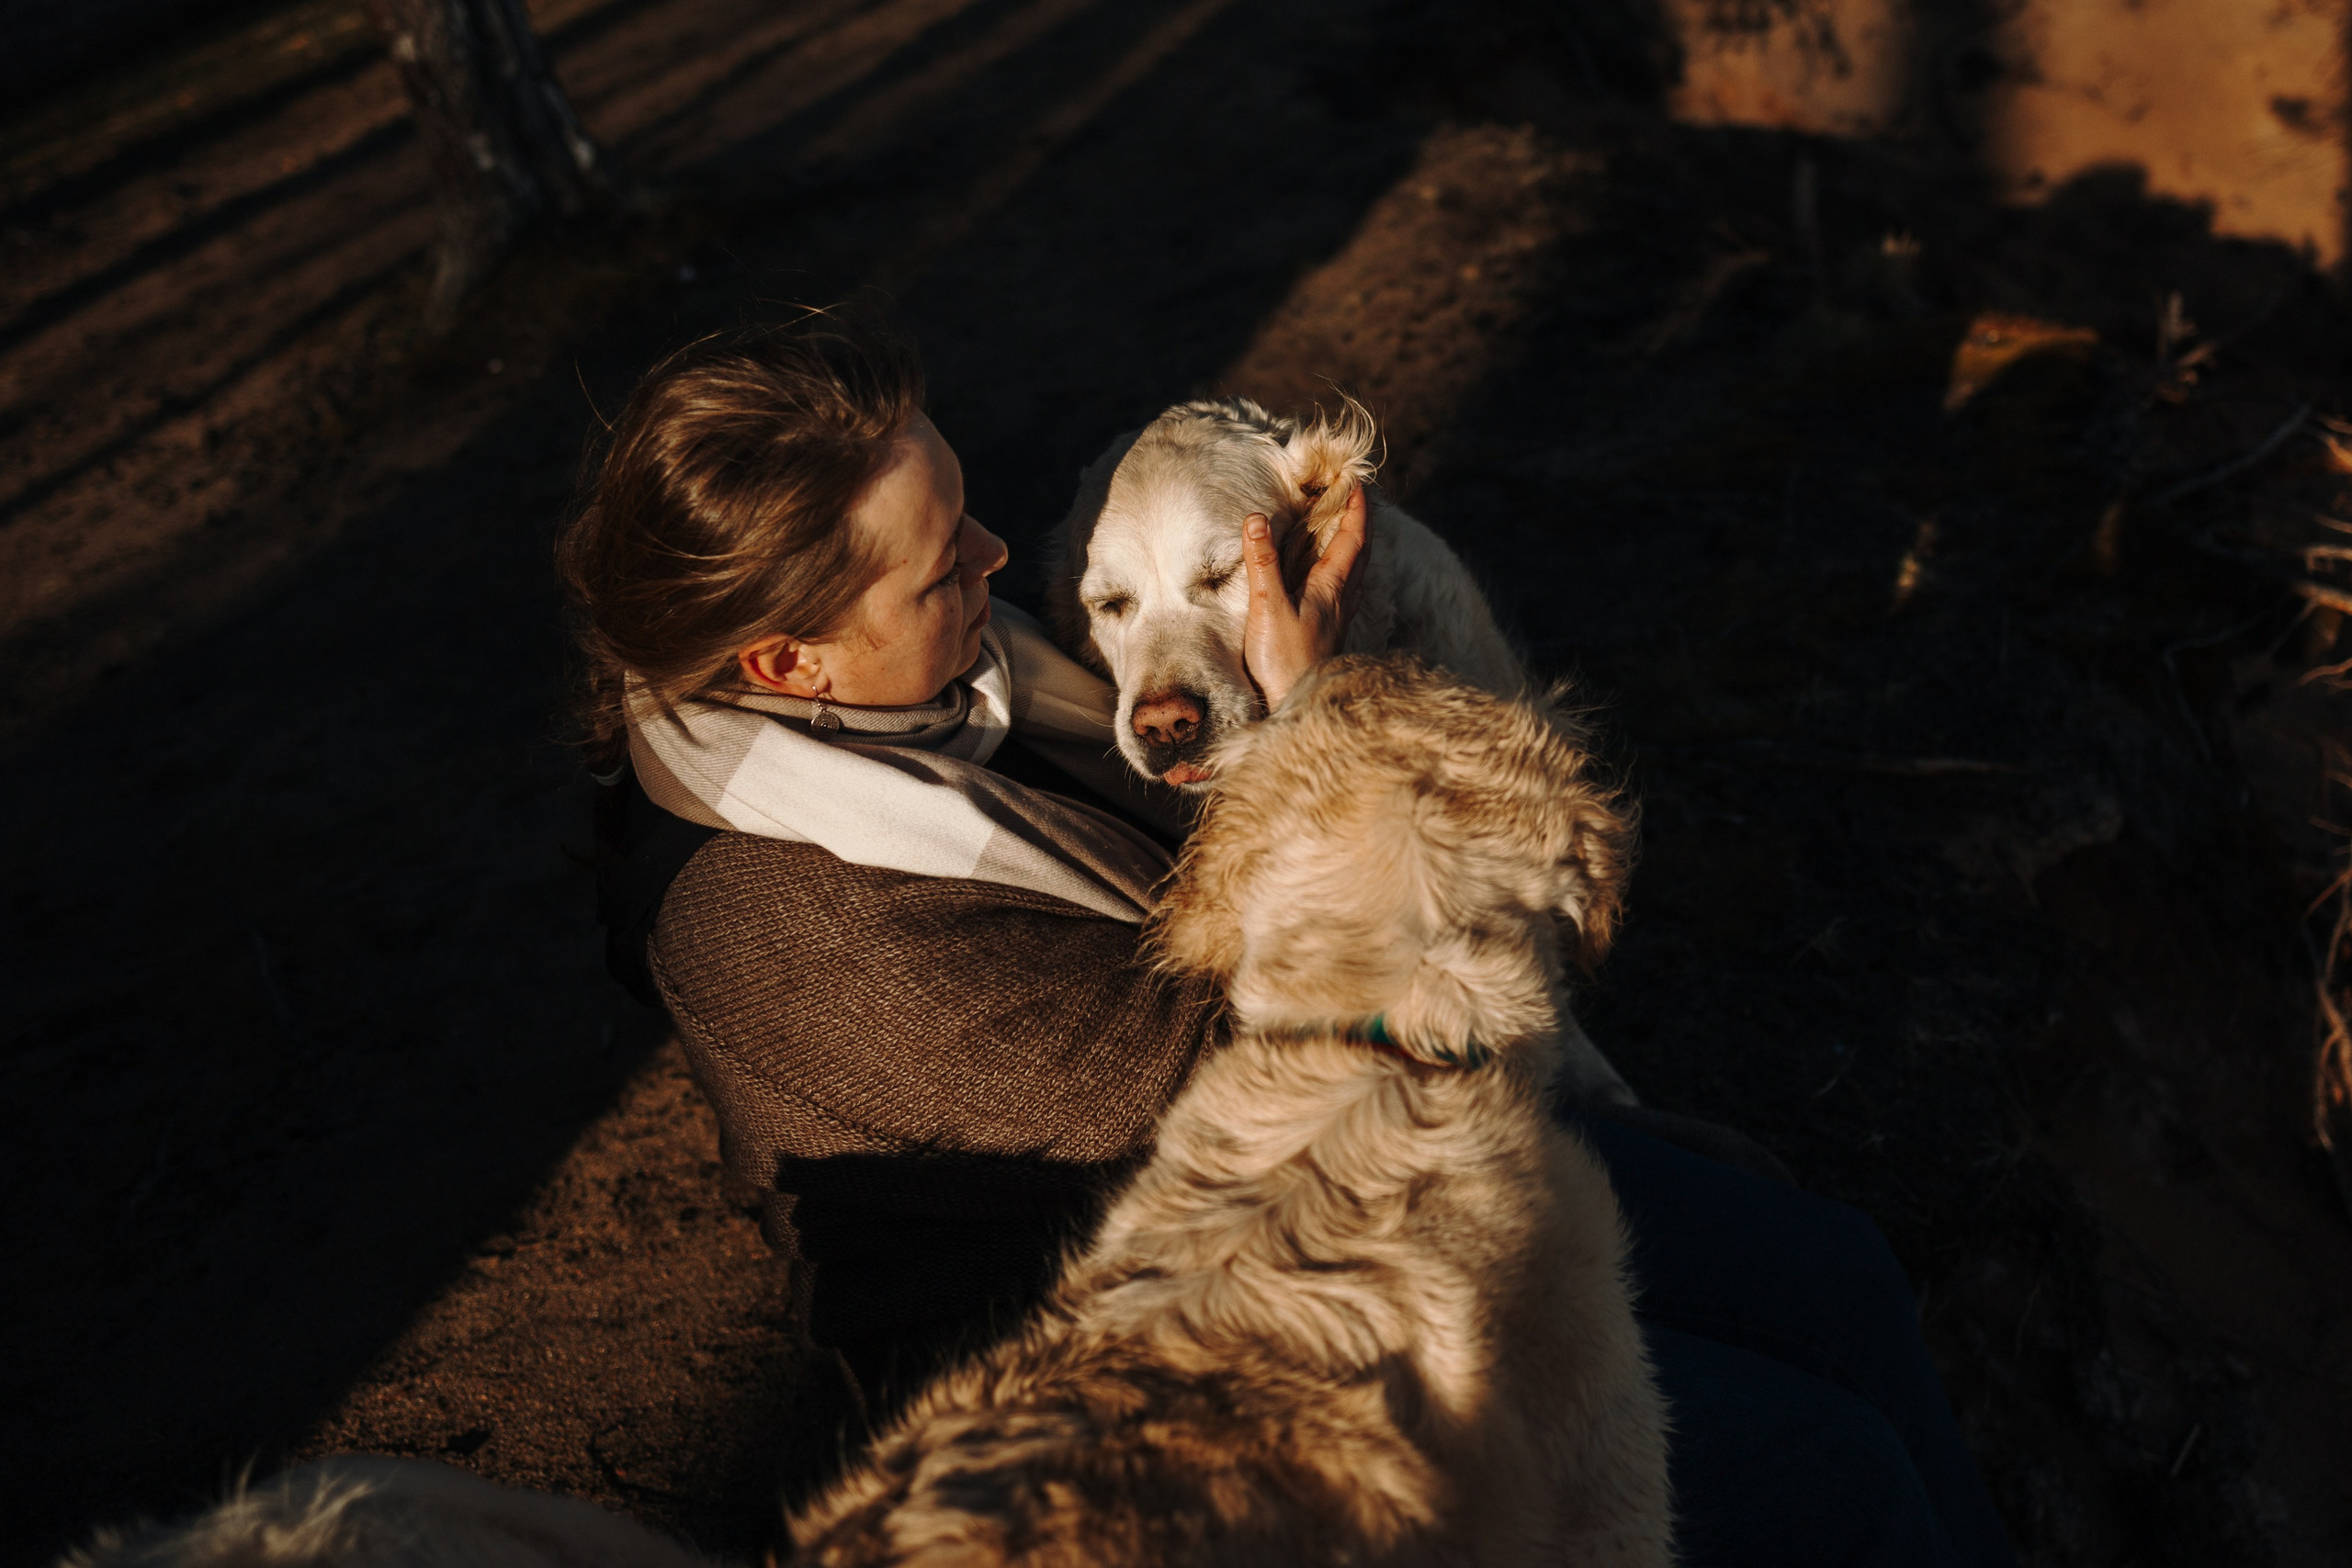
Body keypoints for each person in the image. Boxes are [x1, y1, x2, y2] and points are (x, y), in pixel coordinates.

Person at [557, 312, 2017, 1568]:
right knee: (1825, 1474)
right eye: (947, 567)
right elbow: (1265, 1048)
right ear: (783, 661)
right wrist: (1319, 722)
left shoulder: (947, 691)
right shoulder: (783, 928)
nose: (1003, 564)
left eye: (976, 519)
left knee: (1836, 1275)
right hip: (1159, 1321)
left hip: (1336, 1163)